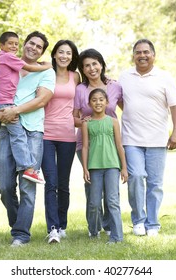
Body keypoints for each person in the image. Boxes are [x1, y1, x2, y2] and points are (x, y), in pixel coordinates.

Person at [0, 31, 56, 246]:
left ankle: (21, 234)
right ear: (24, 44)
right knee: (4, 186)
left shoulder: (46, 72)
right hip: (7, 128)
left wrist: (15, 110)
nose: (33, 48)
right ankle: (18, 224)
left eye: (39, 46)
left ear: (42, 51)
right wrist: (0, 115)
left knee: (26, 185)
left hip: (31, 131)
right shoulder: (6, 64)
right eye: (31, 43)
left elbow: (42, 100)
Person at [119, 39, 176, 237]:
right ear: (133, 55)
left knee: (155, 183)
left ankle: (153, 223)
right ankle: (138, 220)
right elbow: (121, 102)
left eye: (146, 52)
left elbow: (175, 107)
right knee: (136, 177)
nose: (142, 55)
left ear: (153, 55)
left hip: (157, 140)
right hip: (131, 139)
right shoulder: (124, 76)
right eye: (138, 52)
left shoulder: (164, 77)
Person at [0, 31, 51, 184]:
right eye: (10, 43)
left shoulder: (2, 60)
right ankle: (28, 168)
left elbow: (41, 100)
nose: (13, 46)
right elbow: (30, 68)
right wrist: (46, 66)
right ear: (2, 46)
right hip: (5, 104)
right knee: (18, 136)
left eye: (15, 44)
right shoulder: (9, 58)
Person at [73, 48, 123, 237]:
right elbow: (74, 117)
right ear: (83, 70)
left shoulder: (115, 86)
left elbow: (127, 110)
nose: (91, 68)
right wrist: (85, 122)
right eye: (86, 65)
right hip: (86, 143)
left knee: (111, 189)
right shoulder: (80, 89)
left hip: (110, 143)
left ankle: (110, 226)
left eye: (94, 63)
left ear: (101, 64)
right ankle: (94, 227)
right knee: (92, 188)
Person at [41, 40, 80, 244]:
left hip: (67, 136)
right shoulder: (46, 72)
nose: (64, 56)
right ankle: (53, 228)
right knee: (51, 182)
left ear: (72, 57)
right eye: (61, 52)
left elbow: (88, 92)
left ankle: (62, 225)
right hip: (45, 135)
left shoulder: (76, 76)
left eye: (68, 53)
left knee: (63, 184)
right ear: (54, 55)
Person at [81, 88, 128, 243]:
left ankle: (117, 236)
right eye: (94, 100)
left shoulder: (113, 121)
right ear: (89, 103)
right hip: (94, 167)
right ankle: (94, 230)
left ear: (107, 102)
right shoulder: (86, 123)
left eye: (101, 99)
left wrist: (124, 167)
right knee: (94, 202)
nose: (98, 102)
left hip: (112, 166)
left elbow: (119, 145)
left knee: (112, 201)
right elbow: (85, 147)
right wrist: (85, 168)